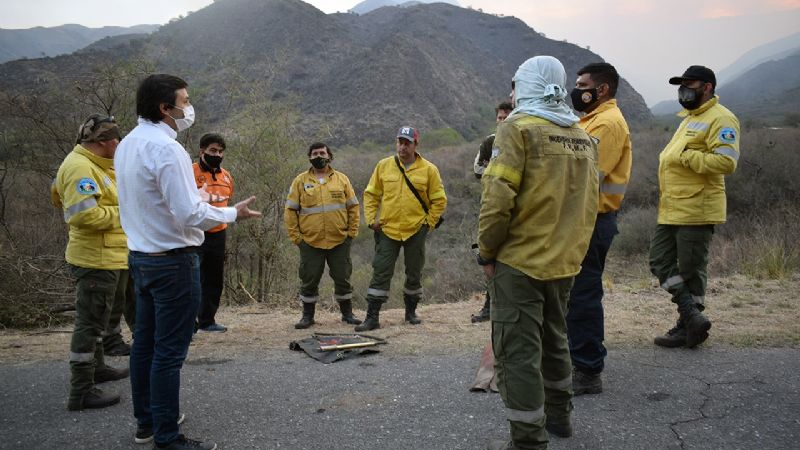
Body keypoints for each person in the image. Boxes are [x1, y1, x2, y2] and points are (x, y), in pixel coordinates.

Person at [115, 74, 260, 450]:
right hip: (173, 263)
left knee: (144, 345)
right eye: (185, 100)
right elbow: (188, 214)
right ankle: (167, 436)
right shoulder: (168, 150)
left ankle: (147, 422)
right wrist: (231, 214)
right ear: (165, 108)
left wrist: (197, 200)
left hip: (142, 259)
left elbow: (154, 201)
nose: (189, 107)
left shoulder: (128, 144)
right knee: (168, 352)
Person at [479, 56, 598, 450]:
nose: (511, 94)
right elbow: (589, 204)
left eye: (515, 84)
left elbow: (497, 200)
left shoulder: (518, 129)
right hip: (564, 262)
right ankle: (561, 418)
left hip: (521, 262)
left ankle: (528, 439)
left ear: (525, 85)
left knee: (518, 352)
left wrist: (487, 251)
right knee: (555, 339)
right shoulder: (580, 135)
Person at [650, 65, 740, 349]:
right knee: (659, 260)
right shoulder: (689, 119)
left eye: (690, 84)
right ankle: (691, 316)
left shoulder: (722, 119)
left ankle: (687, 324)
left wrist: (689, 157)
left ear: (707, 87)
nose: (684, 89)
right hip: (673, 207)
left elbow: (727, 163)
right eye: (682, 84)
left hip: (698, 207)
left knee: (690, 269)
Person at [52, 114, 131, 411]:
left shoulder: (100, 166)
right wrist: (126, 213)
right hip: (95, 259)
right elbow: (83, 215)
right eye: (116, 139)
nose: (120, 144)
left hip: (111, 255)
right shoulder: (79, 167)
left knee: (100, 320)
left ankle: (97, 369)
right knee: (89, 324)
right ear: (101, 142)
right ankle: (81, 390)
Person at [566, 62, 632, 395]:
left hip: (593, 221)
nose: (576, 90)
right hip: (585, 219)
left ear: (601, 89)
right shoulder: (590, 120)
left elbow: (587, 177)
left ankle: (589, 370)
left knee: (584, 295)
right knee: (575, 294)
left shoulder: (606, 124)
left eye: (581, 84)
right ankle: (577, 357)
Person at [355, 126, 447, 331]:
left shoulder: (429, 169)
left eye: (407, 143)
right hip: (388, 229)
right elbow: (371, 194)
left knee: (414, 272)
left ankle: (410, 312)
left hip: (415, 229)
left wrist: (428, 224)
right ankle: (372, 318)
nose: (403, 147)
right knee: (381, 271)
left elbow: (439, 200)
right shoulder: (384, 166)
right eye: (400, 142)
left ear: (415, 145)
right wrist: (371, 220)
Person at [284, 142, 362, 329]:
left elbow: (353, 207)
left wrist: (351, 233)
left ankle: (347, 315)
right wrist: (297, 238)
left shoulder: (341, 179)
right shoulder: (300, 181)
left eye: (322, 152)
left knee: (342, 277)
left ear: (329, 156)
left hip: (339, 240)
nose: (319, 156)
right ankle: (307, 317)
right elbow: (290, 211)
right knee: (309, 278)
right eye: (315, 153)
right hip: (310, 241)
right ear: (309, 157)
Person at [471, 101, 513, 323]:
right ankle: (489, 306)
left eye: (507, 116)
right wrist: (494, 172)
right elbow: (478, 170)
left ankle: (508, 307)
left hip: (516, 211)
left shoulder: (521, 138)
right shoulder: (489, 142)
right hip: (491, 204)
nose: (503, 120)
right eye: (500, 117)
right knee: (488, 256)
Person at [193, 133, 233, 333]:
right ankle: (188, 322)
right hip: (195, 233)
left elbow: (226, 201)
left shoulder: (226, 176)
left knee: (214, 278)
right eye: (212, 151)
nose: (217, 154)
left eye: (220, 151)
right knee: (192, 279)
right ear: (202, 151)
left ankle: (207, 320)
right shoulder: (189, 171)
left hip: (218, 233)